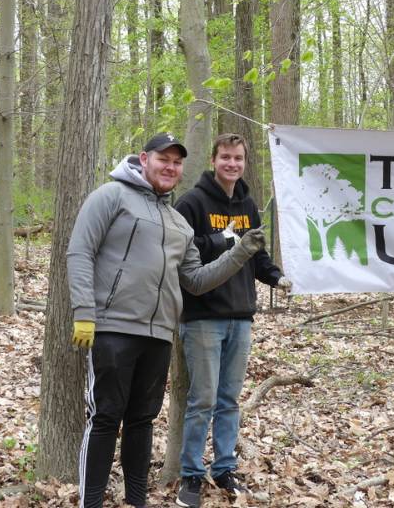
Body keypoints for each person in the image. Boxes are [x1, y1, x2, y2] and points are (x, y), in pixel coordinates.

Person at [67, 132, 267, 508]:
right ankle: (90, 503)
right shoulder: (110, 197)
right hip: (111, 327)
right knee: (106, 417)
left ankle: (136, 501)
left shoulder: (177, 222)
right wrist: (84, 312)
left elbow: (196, 281)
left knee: (142, 421)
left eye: (177, 163)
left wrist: (241, 253)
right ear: (145, 159)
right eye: (164, 160)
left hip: (159, 333)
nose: (170, 167)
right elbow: (80, 251)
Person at [173, 133, 291, 508]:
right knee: (202, 399)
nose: (232, 164)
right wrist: (222, 244)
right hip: (203, 317)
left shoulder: (248, 204)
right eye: (226, 157)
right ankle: (191, 475)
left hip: (241, 317)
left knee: (229, 400)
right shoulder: (191, 203)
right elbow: (185, 260)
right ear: (213, 159)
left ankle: (225, 467)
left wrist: (276, 277)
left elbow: (257, 255)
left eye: (238, 158)